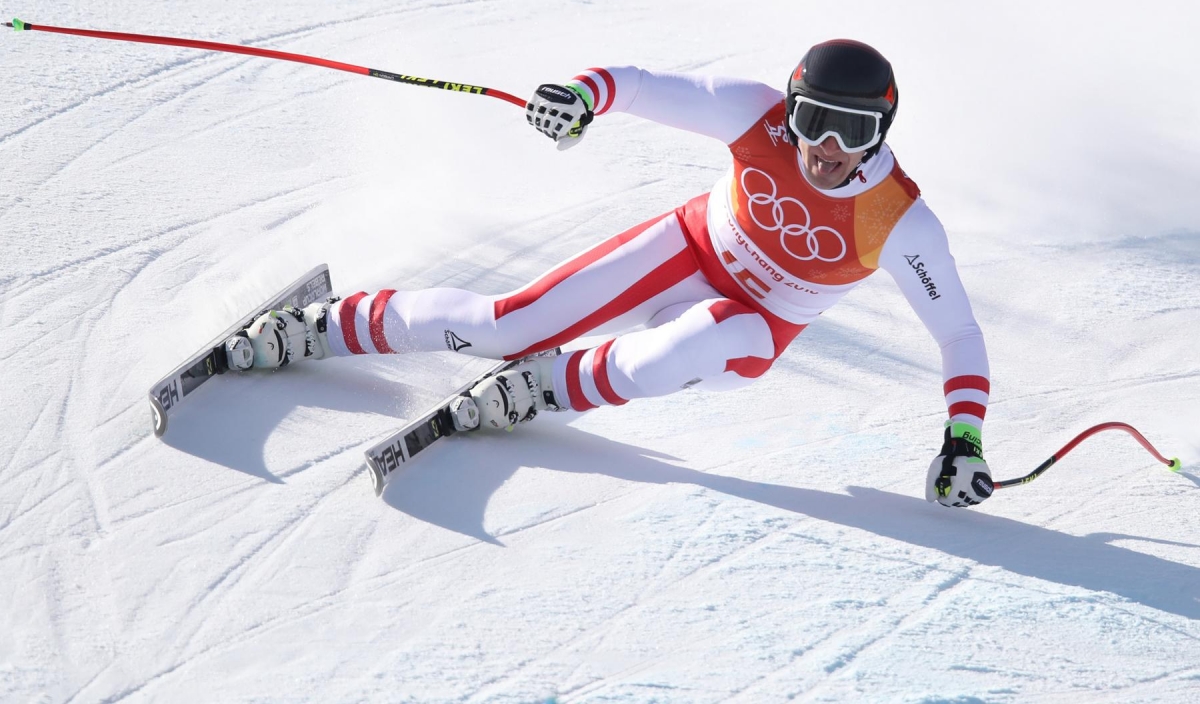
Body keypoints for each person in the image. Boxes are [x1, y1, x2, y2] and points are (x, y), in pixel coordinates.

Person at [231, 39, 994, 508]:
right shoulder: (755, 117)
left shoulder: (899, 221)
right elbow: (639, 85)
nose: (826, 147)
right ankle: (319, 327)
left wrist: (965, 439)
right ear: (788, 109)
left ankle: (546, 387)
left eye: (852, 130)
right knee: (503, 326)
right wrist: (581, 97)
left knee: (681, 348)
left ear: (880, 134)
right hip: (686, 249)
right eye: (811, 120)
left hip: (753, 328)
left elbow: (957, 331)